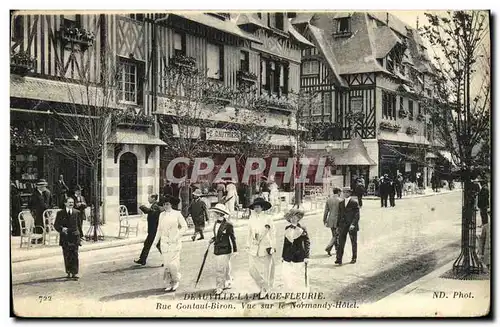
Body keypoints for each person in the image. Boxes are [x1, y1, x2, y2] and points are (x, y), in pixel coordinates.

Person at [152, 195, 188, 292]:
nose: (166, 206)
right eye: (164, 204)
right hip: (164, 243)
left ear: (171, 204)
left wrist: (177, 236)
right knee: (167, 265)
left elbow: (185, 227)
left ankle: (176, 280)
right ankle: (168, 283)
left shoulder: (177, 214)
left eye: (167, 204)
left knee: (174, 265)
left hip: (175, 243)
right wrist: (155, 241)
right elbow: (159, 229)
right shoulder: (161, 215)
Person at [246, 197, 275, 299]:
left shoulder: (268, 218)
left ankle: (264, 289)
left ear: (262, 207)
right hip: (254, 247)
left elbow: (272, 233)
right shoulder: (251, 219)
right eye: (255, 207)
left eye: (258, 207)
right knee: (252, 269)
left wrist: (273, 246)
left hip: (265, 246)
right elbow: (249, 233)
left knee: (266, 270)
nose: (256, 209)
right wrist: (247, 244)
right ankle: (264, 286)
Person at [209, 203, 237, 295]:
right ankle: (228, 280)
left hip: (225, 249)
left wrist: (235, 250)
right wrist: (213, 239)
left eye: (215, 213)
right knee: (226, 266)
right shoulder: (215, 223)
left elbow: (233, 238)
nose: (213, 215)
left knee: (220, 269)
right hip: (217, 249)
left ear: (219, 214)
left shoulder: (228, 224)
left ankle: (219, 287)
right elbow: (218, 235)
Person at [281, 208, 310, 297]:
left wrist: (307, 256)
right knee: (287, 275)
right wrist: (283, 255)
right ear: (289, 219)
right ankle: (290, 295)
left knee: (299, 276)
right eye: (291, 217)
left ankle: (300, 295)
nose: (293, 219)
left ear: (298, 218)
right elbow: (285, 243)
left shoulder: (302, 228)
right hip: (288, 255)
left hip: (299, 255)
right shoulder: (287, 228)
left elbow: (307, 242)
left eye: (295, 217)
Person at [54, 197, 84, 279]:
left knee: (74, 254)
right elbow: (56, 225)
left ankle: (74, 273)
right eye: (69, 202)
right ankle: (68, 272)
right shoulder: (60, 213)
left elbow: (79, 225)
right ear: (65, 203)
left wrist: (81, 236)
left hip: (74, 236)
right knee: (67, 255)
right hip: (65, 237)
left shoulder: (77, 212)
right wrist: (62, 229)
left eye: (72, 202)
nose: (71, 204)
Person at [134, 194, 163, 266]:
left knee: (157, 245)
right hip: (153, 230)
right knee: (148, 244)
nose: (148, 199)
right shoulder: (155, 205)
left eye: (149, 198)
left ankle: (168, 259)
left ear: (153, 198)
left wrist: (143, 207)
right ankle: (142, 260)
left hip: (155, 230)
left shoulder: (155, 206)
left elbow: (151, 212)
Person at [335, 188, 360, 265]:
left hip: (351, 225)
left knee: (353, 242)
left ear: (350, 193)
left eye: (347, 192)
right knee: (341, 242)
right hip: (343, 225)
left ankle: (354, 257)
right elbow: (339, 215)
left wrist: (353, 224)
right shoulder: (341, 203)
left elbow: (357, 215)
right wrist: (337, 226)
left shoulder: (354, 202)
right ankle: (339, 259)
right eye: (344, 192)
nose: (345, 194)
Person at [323, 187, 342, 256]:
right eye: (340, 192)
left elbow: (326, 211)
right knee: (337, 235)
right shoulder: (341, 200)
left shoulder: (329, 200)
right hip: (338, 220)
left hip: (330, 219)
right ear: (339, 192)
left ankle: (337, 249)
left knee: (334, 235)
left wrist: (324, 220)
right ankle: (329, 247)